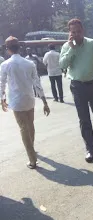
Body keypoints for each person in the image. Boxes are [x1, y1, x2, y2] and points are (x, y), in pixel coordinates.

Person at [59, 19, 93, 163]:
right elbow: (62, 65)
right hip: (77, 86)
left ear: (83, 31)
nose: (76, 34)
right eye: (73, 32)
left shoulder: (92, 44)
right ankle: (89, 149)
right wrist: (71, 49)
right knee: (84, 119)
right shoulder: (66, 47)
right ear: (70, 33)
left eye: (78, 31)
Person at [0, 36, 50, 169]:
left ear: (7, 49)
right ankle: (32, 149)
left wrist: (2, 99)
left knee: (23, 128)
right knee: (30, 126)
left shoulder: (5, 65)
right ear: (19, 47)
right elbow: (37, 83)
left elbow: (2, 83)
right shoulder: (29, 63)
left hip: (16, 102)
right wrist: (44, 101)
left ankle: (32, 159)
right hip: (29, 99)